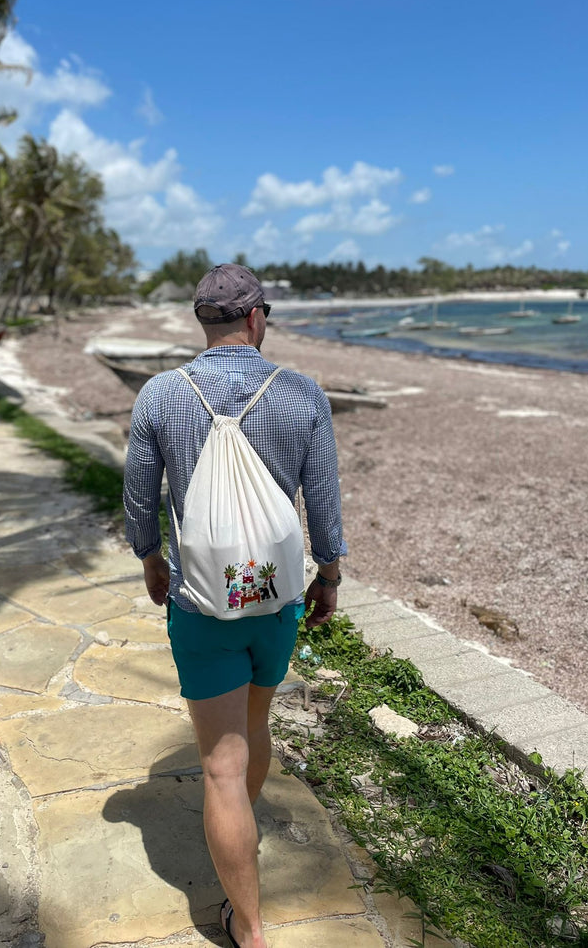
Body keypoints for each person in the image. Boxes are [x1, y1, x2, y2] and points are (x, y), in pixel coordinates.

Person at [124, 263, 345, 948]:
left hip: (201, 601)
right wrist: (328, 574)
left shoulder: (161, 394)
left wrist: (151, 557)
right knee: (256, 725)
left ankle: (247, 930)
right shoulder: (302, 393)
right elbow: (324, 500)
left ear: (203, 322)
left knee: (221, 760)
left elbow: (139, 495)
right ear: (256, 318)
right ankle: (239, 829)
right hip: (274, 597)